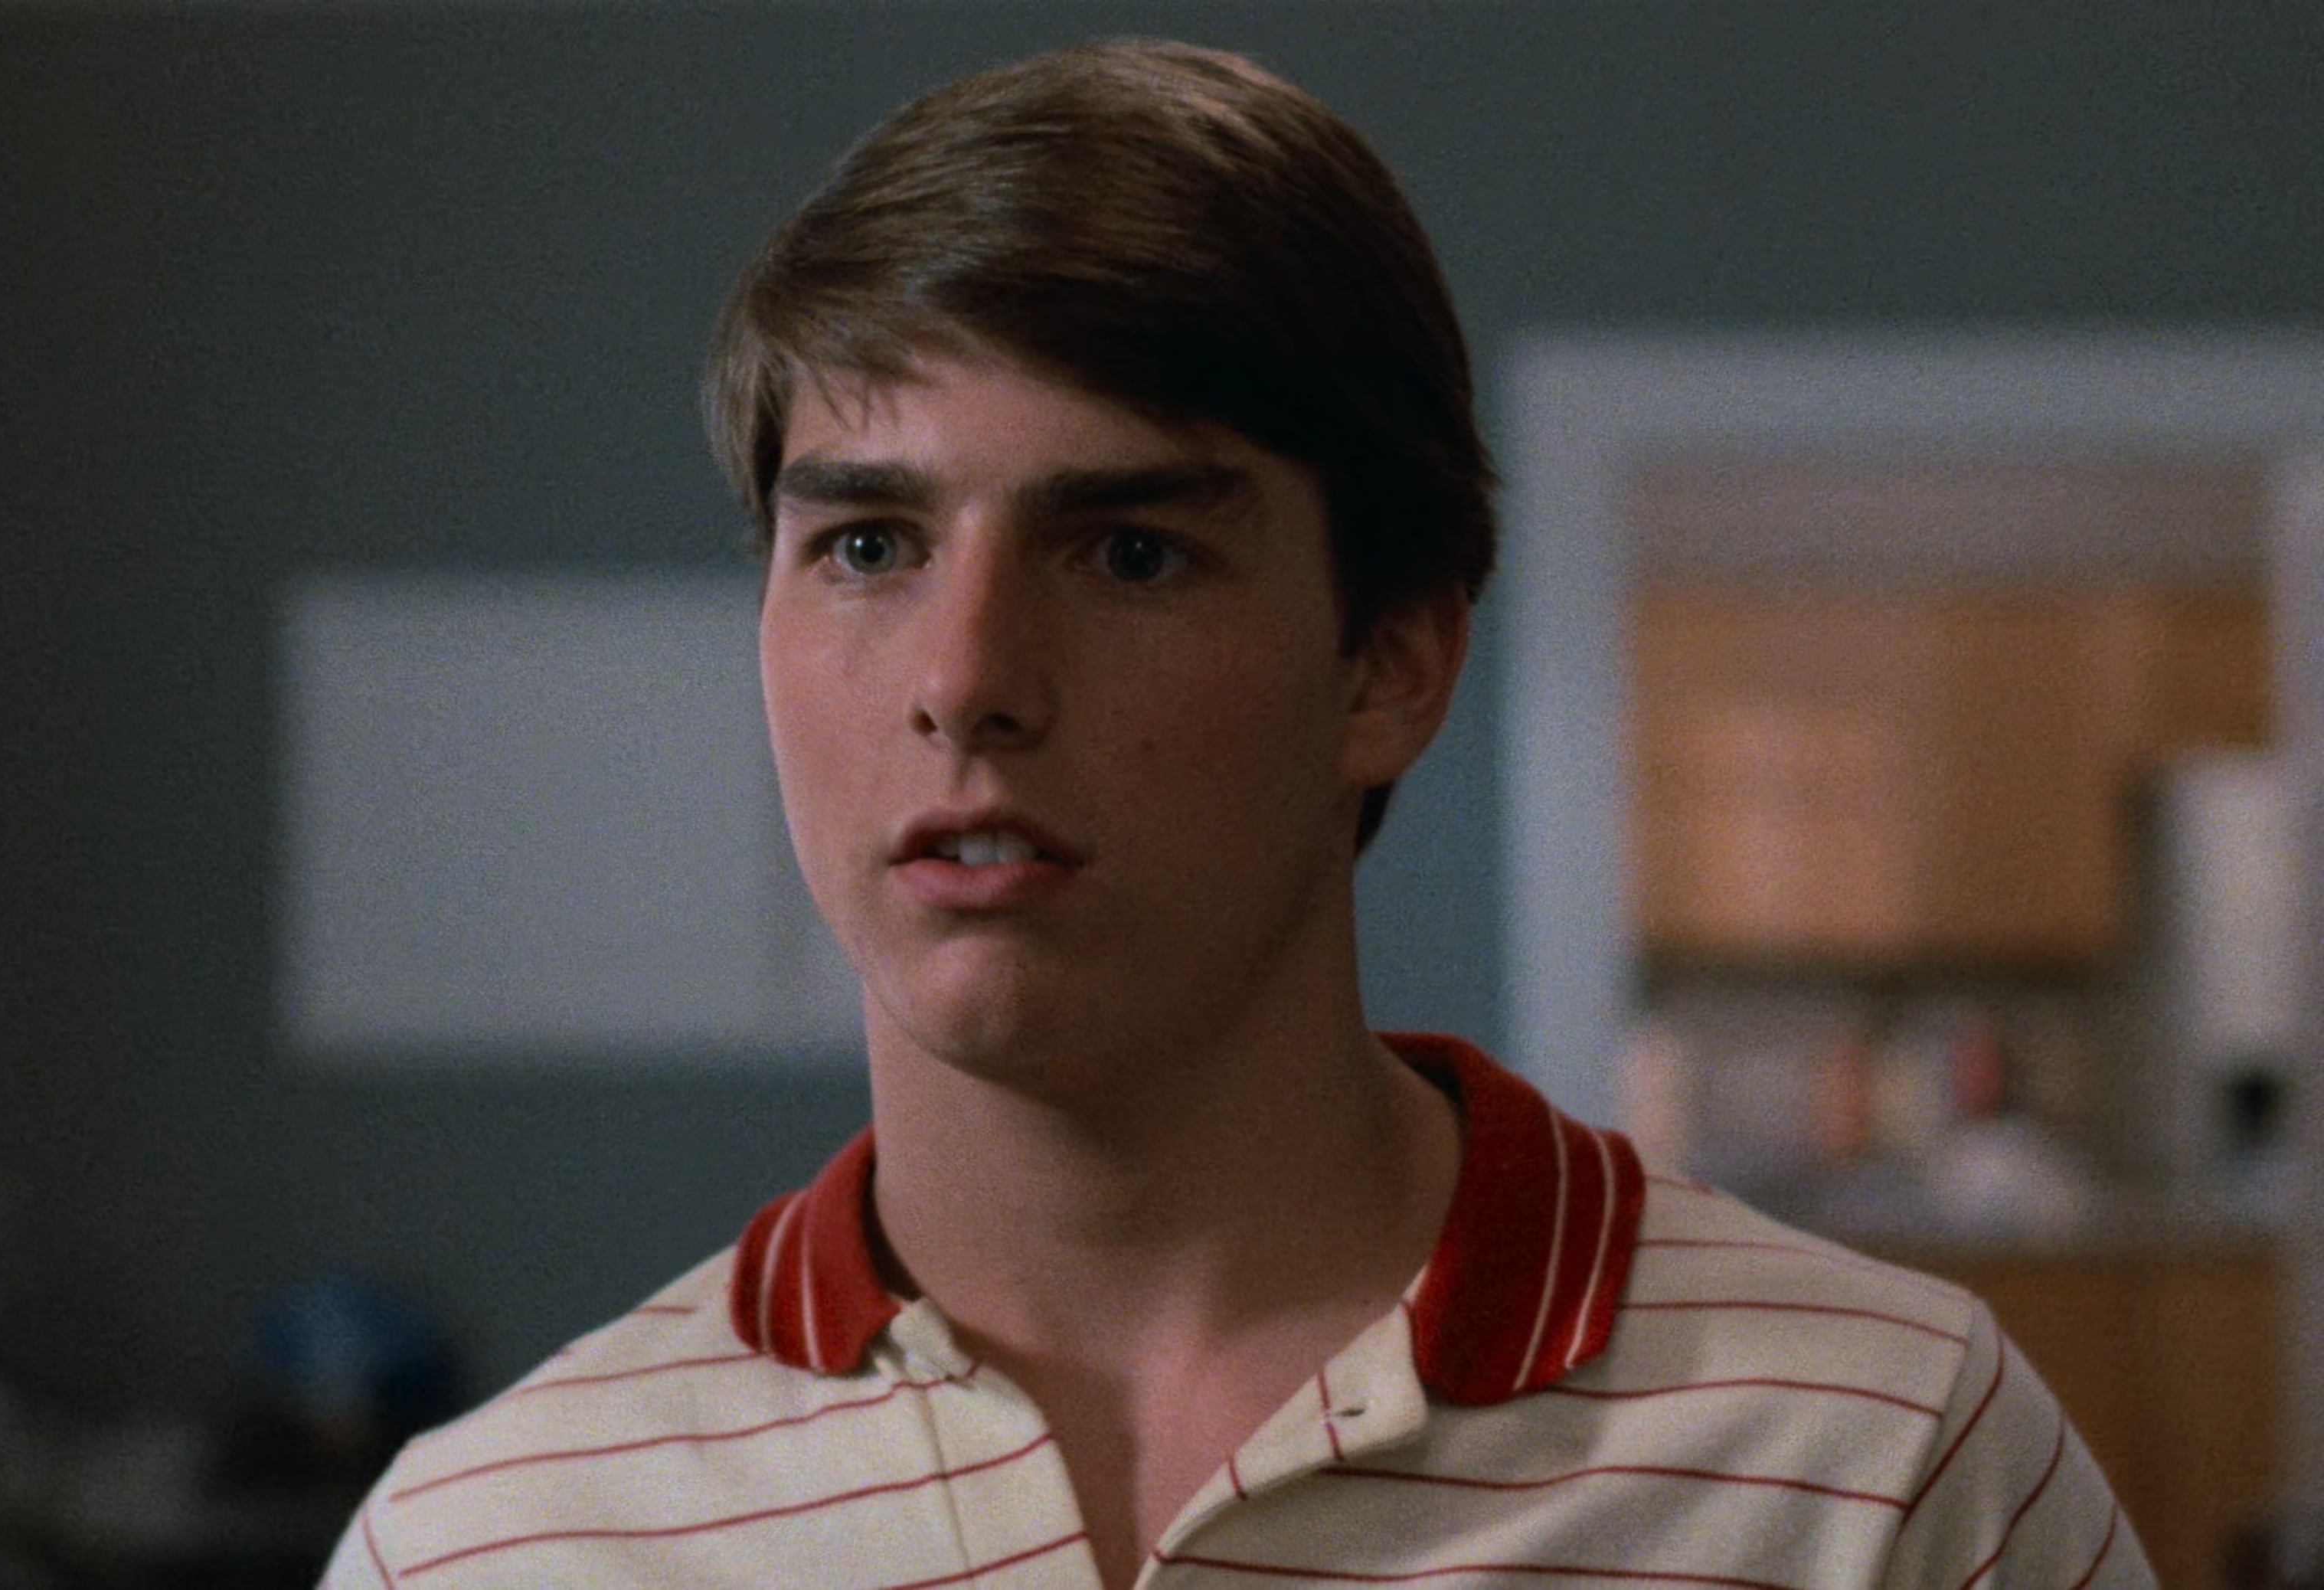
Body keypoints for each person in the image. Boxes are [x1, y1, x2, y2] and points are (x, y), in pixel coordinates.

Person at [322, 38, 2149, 1589]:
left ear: (1389, 666)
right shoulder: (495, 1541)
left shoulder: (1883, 1459)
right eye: (869, 545)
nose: (965, 679)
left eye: (1128, 551)